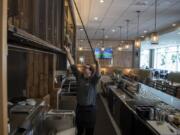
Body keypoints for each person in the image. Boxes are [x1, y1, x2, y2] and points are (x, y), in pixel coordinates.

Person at [64, 46, 101, 135]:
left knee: (89, 132)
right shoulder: (79, 77)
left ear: (91, 72)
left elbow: (98, 73)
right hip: (80, 109)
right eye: (84, 67)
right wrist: (68, 52)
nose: (84, 68)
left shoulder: (93, 81)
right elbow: (72, 64)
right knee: (79, 132)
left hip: (90, 110)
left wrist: (97, 62)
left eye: (87, 68)